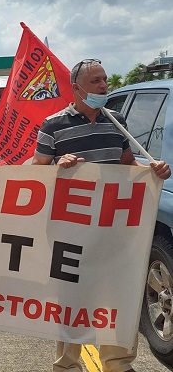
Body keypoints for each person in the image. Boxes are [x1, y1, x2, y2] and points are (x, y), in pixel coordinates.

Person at [32, 59, 171, 372]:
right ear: (77, 88)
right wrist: (57, 165)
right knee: (72, 301)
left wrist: (152, 171)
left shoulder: (115, 120)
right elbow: (35, 169)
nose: (104, 86)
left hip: (113, 228)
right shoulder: (54, 124)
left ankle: (117, 362)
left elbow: (126, 163)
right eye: (96, 81)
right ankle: (66, 364)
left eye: (105, 79)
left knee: (116, 295)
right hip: (73, 232)